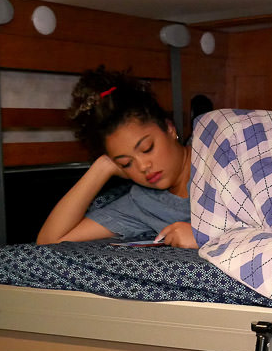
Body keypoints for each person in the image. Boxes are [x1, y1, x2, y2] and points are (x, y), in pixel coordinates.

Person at [37, 67, 198, 248]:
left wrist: (203, 238)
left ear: (169, 128)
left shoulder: (215, 152)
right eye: (126, 163)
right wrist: (102, 167)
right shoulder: (143, 203)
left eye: (147, 148)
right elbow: (49, 241)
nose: (143, 166)